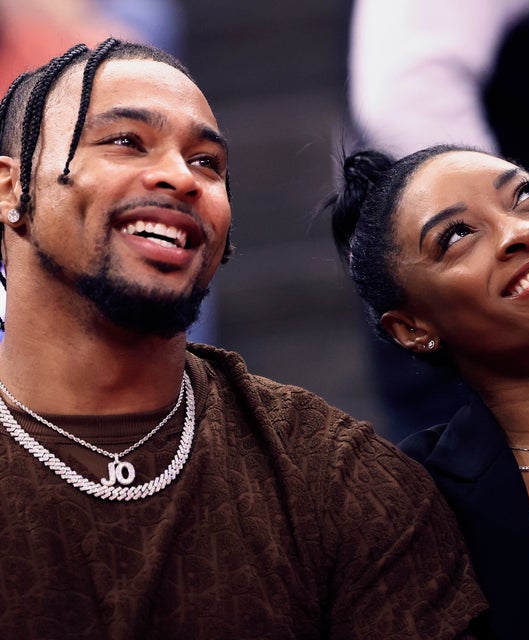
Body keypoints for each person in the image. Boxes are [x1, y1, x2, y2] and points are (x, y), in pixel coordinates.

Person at [0, 39, 486, 638]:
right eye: (125, 141)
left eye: (208, 162)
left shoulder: (339, 480)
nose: (181, 177)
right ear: (9, 189)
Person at [326, 144, 529, 638]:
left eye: (527, 194)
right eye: (456, 235)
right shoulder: (415, 507)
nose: (522, 231)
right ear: (411, 328)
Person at [346, 0, 529, 441]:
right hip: (500, 347)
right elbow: (409, 99)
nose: (520, 229)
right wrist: (491, 229)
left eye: (524, 194)